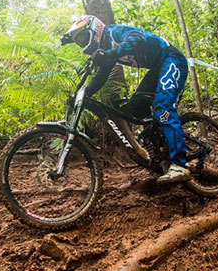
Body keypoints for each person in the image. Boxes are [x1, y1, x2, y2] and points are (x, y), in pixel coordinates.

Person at [61, 15, 191, 184]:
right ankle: (161, 151)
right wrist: (82, 94)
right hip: (158, 68)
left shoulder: (114, 32)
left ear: (94, 30)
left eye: (83, 38)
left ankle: (179, 164)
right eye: (80, 42)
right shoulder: (108, 53)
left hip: (172, 59)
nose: (83, 43)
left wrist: (110, 53)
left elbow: (138, 38)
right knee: (136, 110)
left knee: (163, 107)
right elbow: (99, 79)